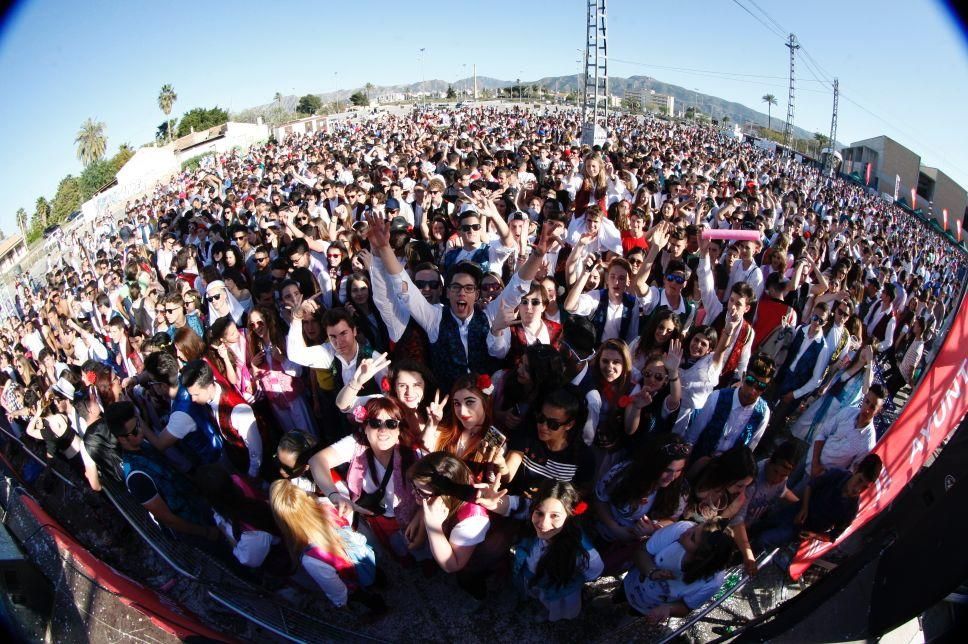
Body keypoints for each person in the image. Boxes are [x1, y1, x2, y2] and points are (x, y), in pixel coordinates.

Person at [308, 397, 422, 557]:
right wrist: (335, 496)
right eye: (375, 423)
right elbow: (317, 461)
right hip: (378, 518)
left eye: (391, 424)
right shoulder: (356, 445)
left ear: (398, 429)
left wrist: (421, 517)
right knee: (397, 551)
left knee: (420, 551)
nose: (383, 430)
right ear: (365, 428)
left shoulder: (413, 452)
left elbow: (436, 491)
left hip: (413, 518)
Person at [269, 480, 381, 610]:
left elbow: (335, 588)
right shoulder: (327, 505)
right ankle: (381, 582)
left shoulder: (310, 557)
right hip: (362, 555)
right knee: (373, 576)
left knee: (368, 597)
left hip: (351, 580)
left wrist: (341, 603)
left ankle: (378, 608)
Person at [592, 433, 691, 574]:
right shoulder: (624, 473)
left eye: (678, 470)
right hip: (600, 533)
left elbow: (673, 518)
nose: (672, 477)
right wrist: (615, 528)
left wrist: (654, 527)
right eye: (667, 470)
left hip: (629, 550)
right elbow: (599, 499)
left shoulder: (681, 489)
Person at [613, 519, 741, 623]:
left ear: (700, 556)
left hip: (647, 607)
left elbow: (686, 607)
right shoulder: (680, 529)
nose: (687, 530)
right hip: (631, 583)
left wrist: (668, 609)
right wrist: (652, 572)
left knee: (632, 613)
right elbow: (640, 553)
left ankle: (627, 615)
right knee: (619, 595)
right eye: (695, 526)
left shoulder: (713, 582)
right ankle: (612, 601)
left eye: (692, 537)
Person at [511, 482, 604, 621]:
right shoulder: (534, 524)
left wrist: (570, 576)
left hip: (559, 589)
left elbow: (595, 571)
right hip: (535, 579)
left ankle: (552, 613)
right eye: (539, 513)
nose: (543, 524)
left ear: (570, 516)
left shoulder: (582, 551)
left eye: (554, 516)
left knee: (557, 608)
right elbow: (510, 504)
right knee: (539, 596)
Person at [751, 454, 883, 551]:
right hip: (793, 511)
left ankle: (744, 559)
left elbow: (832, 536)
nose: (857, 489)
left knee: (764, 539)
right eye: (859, 481)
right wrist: (804, 508)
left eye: (864, 487)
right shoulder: (837, 475)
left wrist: (814, 535)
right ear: (856, 470)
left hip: (800, 530)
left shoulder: (851, 509)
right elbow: (811, 486)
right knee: (760, 525)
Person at [181, 360, 264, 479]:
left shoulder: (237, 410)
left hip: (252, 466)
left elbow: (255, 448)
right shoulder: (212, 394)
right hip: (236, 458)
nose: (193, 399)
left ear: (209, 387)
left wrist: (253, 474)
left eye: (196, 394)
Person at [684, 354, 775, 463]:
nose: (752, 391)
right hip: (698, 461)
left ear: (766, 388)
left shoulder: (763, 413)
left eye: (761, 386)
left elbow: (748, 450)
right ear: (743, 376)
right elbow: (692, 437)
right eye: (750, 381)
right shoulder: (717, 397)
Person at [729, 441, 801, 575]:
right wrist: (748, 554)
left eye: (783, 476)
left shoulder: (782, 476)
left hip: (748, 528)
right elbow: (737, 519)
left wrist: (801, 506)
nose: (777, 479)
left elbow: (783, 491)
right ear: (771, 461)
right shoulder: (753, 480)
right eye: (776, 472)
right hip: (731, 531)